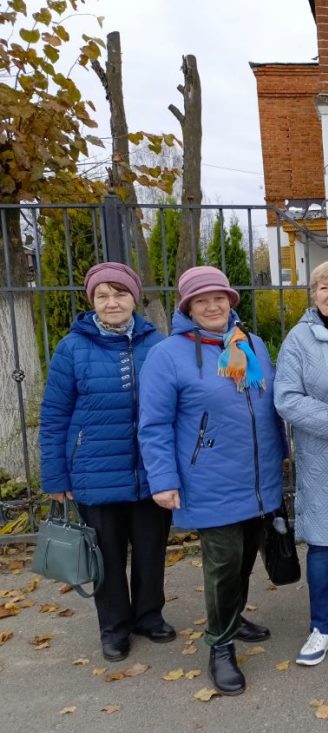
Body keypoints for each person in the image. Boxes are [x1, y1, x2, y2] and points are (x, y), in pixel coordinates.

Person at [138, 266, 284, 697]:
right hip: (208, 478)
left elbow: (269, 407)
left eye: (219, 297)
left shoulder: (251, 343)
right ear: (188, 307)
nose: (213, 306)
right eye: (201, 300)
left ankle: (233, 618)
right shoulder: (167, 354)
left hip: (258, 477)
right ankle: (220, 646)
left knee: (243, 559)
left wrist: (282, 461)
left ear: (231, 301)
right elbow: (154, 424)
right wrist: (163, 480)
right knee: (222, 564)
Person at [39, 262, 171, 663]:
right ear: (92, 301)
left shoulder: (157, 344)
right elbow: (55, 415)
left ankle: (149, 615)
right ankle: (114, 627)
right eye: (103, 295)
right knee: (106, 555)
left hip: (151, 470)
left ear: (134, 298)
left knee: (151, 548)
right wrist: (55, 476)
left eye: (120, 293)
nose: (112, 302)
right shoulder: (73, 347)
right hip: (94, 471)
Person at [274, 261, 328, 666]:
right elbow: (287, 398)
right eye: (323, 287)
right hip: (324, 456)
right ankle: (324, 626)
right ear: (314, 295)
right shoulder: (299, 340)